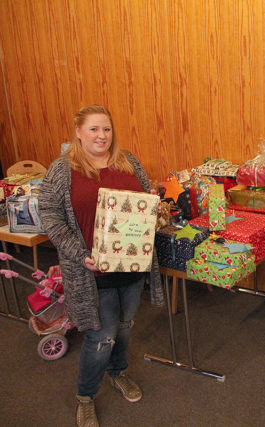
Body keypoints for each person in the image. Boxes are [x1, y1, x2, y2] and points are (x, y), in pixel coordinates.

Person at [38, 105, 164, 427]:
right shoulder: (62, 169)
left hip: (131, 264)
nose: (101, 136)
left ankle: (118, 372)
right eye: (93, 129)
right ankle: (85, 395)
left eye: (106, 129)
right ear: (78, 131)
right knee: (101, 336)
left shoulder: (128, 161)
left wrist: (151, 203)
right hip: (91, 269)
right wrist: (79, 253)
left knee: (125, 325)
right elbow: (50, 216)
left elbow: (144, 205)